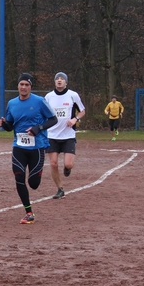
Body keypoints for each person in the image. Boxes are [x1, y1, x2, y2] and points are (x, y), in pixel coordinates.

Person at [0, 72, 57, 224]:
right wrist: (4, 124)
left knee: (34, 184)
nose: (23, 87)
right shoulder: (12, 103)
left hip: (37, 147)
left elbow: (53, 119)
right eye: (21, 84)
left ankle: (37, 174)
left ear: (31, 87)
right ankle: (29, 212)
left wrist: (38, 128)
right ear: (18, 86)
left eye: (27, 85)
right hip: (19, 147)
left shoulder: (39, 101)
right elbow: (10, 126)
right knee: (19, 178)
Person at [44, 72, 86, 200]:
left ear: (66, 82)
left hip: (68, 135)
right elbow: (43, 113)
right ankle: (60, 189)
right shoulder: (48, 97)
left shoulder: (73, 95)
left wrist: (75, 119)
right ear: (54, 82)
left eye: (62, 79)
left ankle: (67, 169)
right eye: (57, 78)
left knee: (68, 164)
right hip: (52, 135)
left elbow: (82, 111)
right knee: (53, 163)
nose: (59, 80)